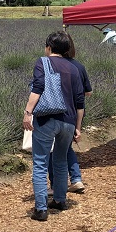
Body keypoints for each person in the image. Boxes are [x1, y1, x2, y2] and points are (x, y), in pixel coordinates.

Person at [23, 31, 85, 221]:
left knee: (40, 162)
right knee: (61, 161)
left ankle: (41, 209)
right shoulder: (74, 68)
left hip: (47, 119)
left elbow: (38, 87)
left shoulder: (43, 62)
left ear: (49, 47)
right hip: (68, 121)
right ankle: (60, 200)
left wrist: (27, 113)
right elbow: (80, 101)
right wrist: (78, 127)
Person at [48, 35, 91, 196]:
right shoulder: (78, 66)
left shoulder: (51, 65)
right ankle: (76, 179)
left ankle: (55, 185)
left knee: (53, 150)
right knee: (66, 147)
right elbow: (89, 92)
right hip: (75, 113)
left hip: (56, 113)